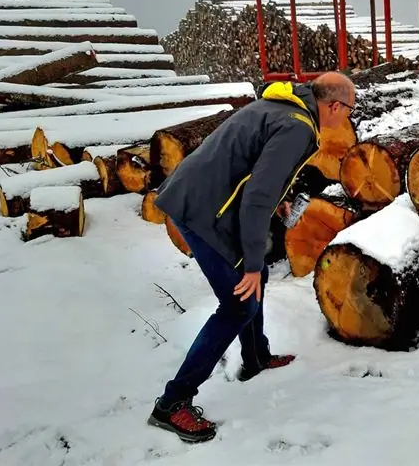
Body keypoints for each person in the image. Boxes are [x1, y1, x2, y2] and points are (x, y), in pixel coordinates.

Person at [147, 71, 357, 442]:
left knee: (247, 287)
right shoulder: (298, 127)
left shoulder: (282, 105)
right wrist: (255, 263)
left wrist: (279, 200)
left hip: (198, 196)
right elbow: (257, 197)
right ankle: (172, 402)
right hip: (200, 209)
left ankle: (256, 358)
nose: (347, 119)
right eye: (349, 111)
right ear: (335, 106)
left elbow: (253, 170)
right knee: (237, 303)